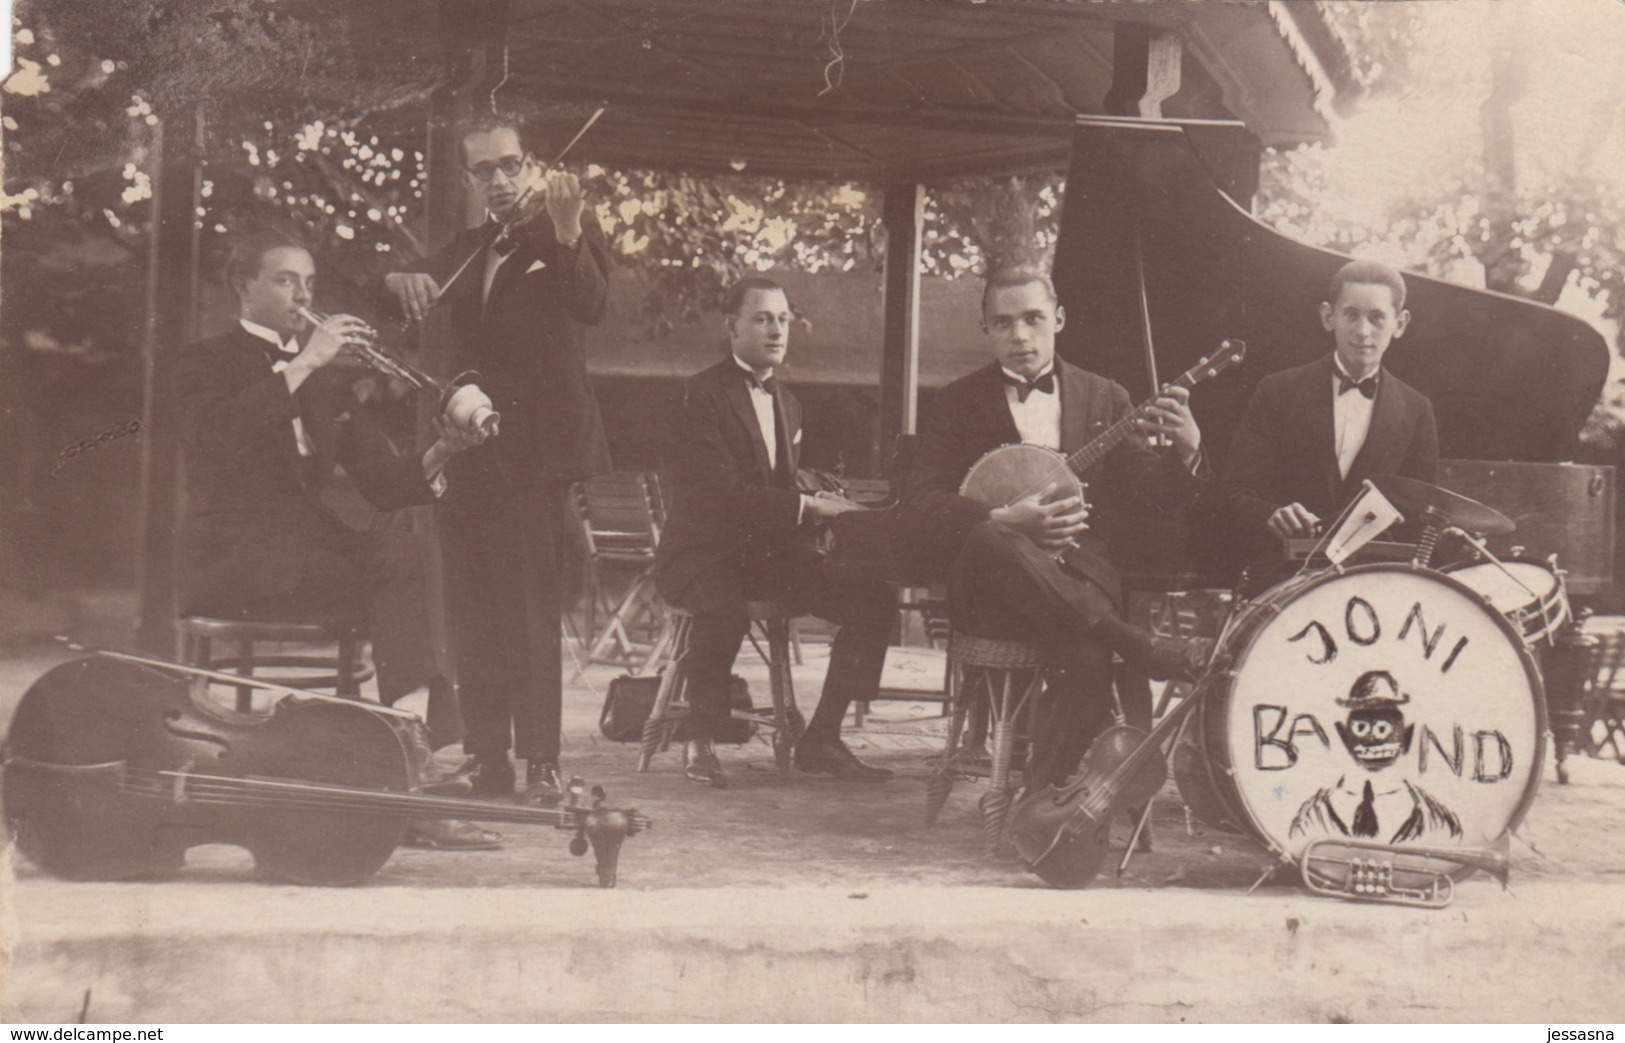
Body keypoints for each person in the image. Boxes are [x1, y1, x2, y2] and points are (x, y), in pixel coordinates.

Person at [173, 225, 500, 850]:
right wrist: (304, 363)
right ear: (244, 287)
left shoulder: (325, 382)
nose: (303, 294)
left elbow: (382, 482)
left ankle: (415, 751)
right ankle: (415, 776)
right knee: (393, 577)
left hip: (307, 554)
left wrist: (440, 451)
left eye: (310, 282)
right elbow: (213, 435)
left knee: (410, 554)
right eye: (286, 280)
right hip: (237, 561)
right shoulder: (205, 360)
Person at [902, 265, 1213, 790]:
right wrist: (1001, 518)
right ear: (985, 329)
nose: (1020, 336)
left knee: (1088, 662)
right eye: (1002, 323)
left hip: (1077, 583)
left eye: (1033, 319)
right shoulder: (956, 402)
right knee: (988, 534)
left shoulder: (1105, 397)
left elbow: (1154, 499)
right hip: (992, 590)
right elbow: (921, 504)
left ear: (1059, 319)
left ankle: (1038, 803)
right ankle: (1137, 643)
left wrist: (1188, 448)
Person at [383, 113, 611, 801]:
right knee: (473, 611)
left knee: (529, 612)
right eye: (484, 170)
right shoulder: (470, 246)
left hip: (535, 459)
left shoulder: (568, 231)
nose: (500, 180)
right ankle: (487, 759)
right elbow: (406, 286)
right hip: (470, 452)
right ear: (468, 178)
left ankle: (541, 762)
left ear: (532, 162)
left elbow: (591, 304)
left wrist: (568, 228)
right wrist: (397, 277)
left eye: (510, 164)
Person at [654, 277, 898, 786]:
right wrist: (809, 505)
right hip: (703, 553)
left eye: (783, 320)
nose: (776, 331)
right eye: (763, 318)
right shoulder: (700, 395)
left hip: (765, 556)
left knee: (871, 601)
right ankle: (699, 740)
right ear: (732, 327)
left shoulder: (788, 404)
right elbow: (720, 500)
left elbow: (778, 489)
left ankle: (823, 738)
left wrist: (820, 501)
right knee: (721, 610)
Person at [1220, 259, 1439, 588]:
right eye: (1350, 314)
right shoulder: (1278, 391)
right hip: (1282, 579)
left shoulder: (1417, 409)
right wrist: (1271, 514)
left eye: (1377, 317)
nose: (1362, 331)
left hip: (1373, 582)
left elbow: (1421, 514)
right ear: (1328, 316)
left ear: (1400, 323)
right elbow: (1234, 492)